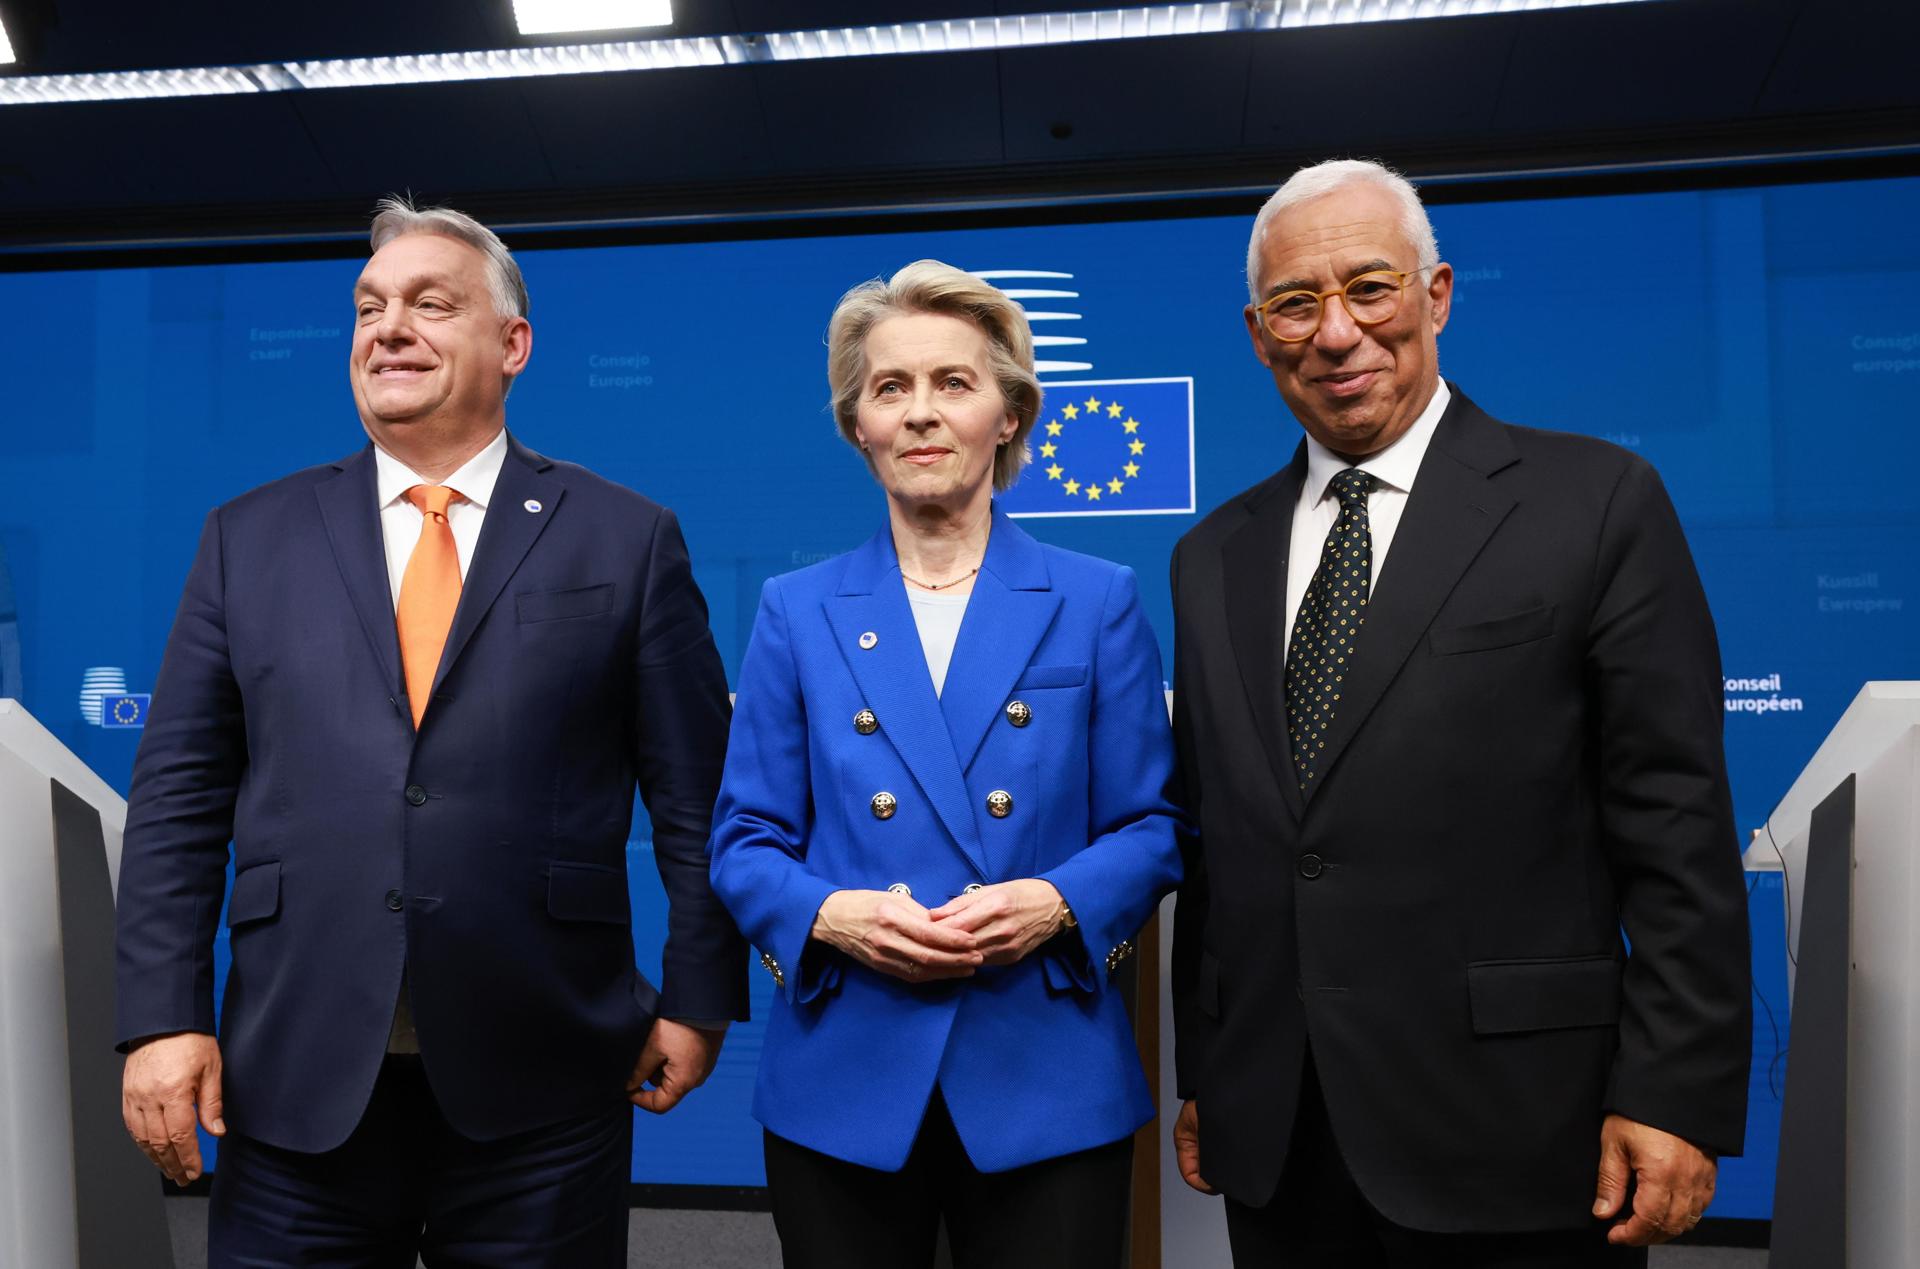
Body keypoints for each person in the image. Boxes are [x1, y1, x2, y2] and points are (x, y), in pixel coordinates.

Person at [114, 197, 747, 1267]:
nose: (387, 327)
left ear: (513, 344)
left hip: (543, 1073)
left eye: (428, 303)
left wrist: (699, 1000)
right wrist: (160, 1020)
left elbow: (697, 800)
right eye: (369, 306)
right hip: (294, 1078)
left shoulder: (626, 539)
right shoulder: (246, 538)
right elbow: (178, 798)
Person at [1167, 159, 1751, 1266]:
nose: (1336, 332)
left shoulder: (1595, 503)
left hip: (1523, 1132)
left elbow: (1676, 829)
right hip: (1284, 1134)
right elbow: (1225, 847)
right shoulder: (1211, 558)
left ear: (1436, 295)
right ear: (1258, 333)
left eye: (1370, 288)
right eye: (1298, 304)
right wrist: (1213, 1070)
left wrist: (1674, 1093)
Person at [708, 259, 1183, 1269]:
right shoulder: (797, 613)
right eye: (892, 388)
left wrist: (1054, 902)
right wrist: (833, 915)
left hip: (1043, 1069)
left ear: (1007, 415)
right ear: (858, 425)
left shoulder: (1096, 600)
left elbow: (1151, 827)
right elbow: (744, 840)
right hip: (846, 1068)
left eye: (954, 383)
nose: (922, 413)